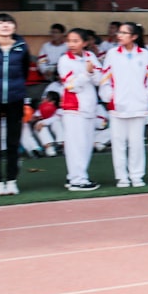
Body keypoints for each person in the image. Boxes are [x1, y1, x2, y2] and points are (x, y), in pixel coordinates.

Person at [98, 22, 148, 188]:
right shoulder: (112, 54)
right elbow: (105, 79)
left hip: (138, 107)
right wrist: (110, 96)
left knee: (137, 143)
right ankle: (122, 177)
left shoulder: (144, 54)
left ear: (134, 37)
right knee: (118, 143)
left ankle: (137, 176)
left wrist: (146, 96)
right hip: (118, 107)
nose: (120, 35)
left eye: (124, 33)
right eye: (119, 32)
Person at [0, 13, 31, 196]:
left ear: (14, 27)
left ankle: (11, 180)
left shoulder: (22, 47)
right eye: (0, 22)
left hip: (15, 99)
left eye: (9, 22)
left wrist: (16, 89)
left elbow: (24, 71)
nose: (5, 25)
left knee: (13, 142)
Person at [58, 28, 101, 191]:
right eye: (69, 41)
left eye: (76, 41)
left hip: (89, 106)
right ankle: (77, 179)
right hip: (73, 108)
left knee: (86, 144)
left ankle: (78, 176)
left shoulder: (90, 56)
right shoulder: (64, 60)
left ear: (85, 43)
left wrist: (91, 73)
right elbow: (70, 85)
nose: (71, 44)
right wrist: (86, 73)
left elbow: (99, 79)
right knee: (76, 145)